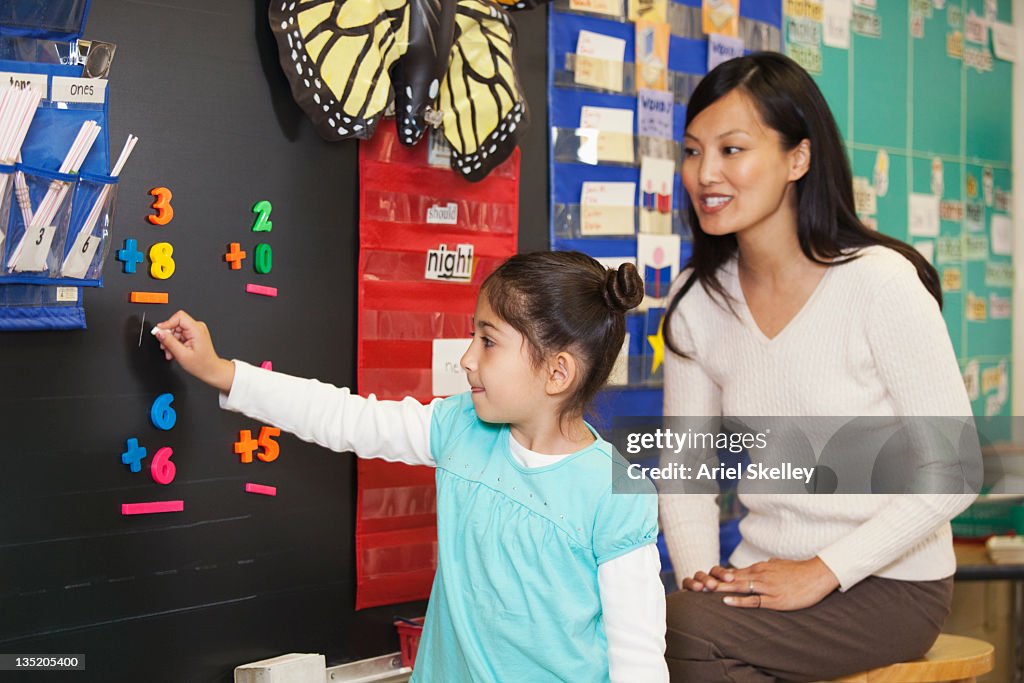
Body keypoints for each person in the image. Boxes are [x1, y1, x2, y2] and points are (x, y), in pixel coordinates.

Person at [152, 251, 669, 683]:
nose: (467, 358)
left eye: (487, 341)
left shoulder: (613, 490)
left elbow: (638, 660)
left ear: (557, 372)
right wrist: (222, 373)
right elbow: (346, 417)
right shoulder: (461, 427)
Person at [658, 52, 977, 682]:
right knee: (670, 623)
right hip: (765, 582)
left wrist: (821, 572)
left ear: (797, 159)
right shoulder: (698, 298)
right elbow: (685, 473)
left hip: (889, 585)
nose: (704, 173)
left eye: (731, 149)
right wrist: (702, 585)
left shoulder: (881, 284)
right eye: (693, 151)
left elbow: (956, 471)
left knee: (683, 635)